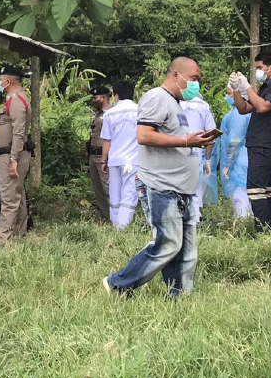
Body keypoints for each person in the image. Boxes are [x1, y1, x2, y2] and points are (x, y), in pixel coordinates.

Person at [103, 57, 219, 297]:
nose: (196, 83)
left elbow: (173, 138)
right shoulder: (157, 97)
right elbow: (144, 135)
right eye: (194, 78)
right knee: (168, 244)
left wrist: (195, 140)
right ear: (176, 75)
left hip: (181, 186)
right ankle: (118, 283)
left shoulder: (176, 104)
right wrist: (187, 140)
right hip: (161, 185)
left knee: (187, 249)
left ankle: (179, 296)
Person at [231, 51, 271, 231]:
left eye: (260, 67)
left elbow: (263, 107)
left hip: (265, 143)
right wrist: (236, 90)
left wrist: (247, 86)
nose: (257, 71)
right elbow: (243, 108)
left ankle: (262, 230)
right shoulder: (264, 89)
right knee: (265, 189)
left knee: (255, 188)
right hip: (258, 144)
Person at [0, 65, 32, 245]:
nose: (0, 83)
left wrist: (13, 159)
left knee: (8, 198)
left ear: (7, 81)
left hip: (11, 155)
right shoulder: (12, 99)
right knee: (17, 195)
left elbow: (19, 133)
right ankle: (19, 233)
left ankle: (2, 238)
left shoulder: (16, 101)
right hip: (8, 154)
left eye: (1, 80)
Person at [99, 80, 140, 227]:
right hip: (133, 160)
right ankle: (122, 227)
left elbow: (106, 141)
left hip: (114, 160)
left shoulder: (110, 114)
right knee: (129, 194)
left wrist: (104, 161)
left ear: (116, 96)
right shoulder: (140, 110)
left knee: (115, 194)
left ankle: (116, 224)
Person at [212, 94, 252, 218]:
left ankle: (243, 227)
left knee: (240, 196)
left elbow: (235, 141)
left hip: (238, 162)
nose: (227, 96)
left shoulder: (238, 115)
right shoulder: (243, 112)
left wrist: (228, 164)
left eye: (230, 93)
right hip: (246, 158)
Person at [180, 88, 218, 220]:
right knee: (195, 190)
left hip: (176, 151)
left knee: (177, 189)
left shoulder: (176, 102)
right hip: (196, 154)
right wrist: (207, 160)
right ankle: (194, 220)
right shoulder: (203, 105)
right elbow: (211, 135)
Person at [87, 84, 114, 220]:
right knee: (98, 189)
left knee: (108, 189)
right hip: (94, 155)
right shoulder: (98, 114)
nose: (93, 100)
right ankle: (105, 216)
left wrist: (106, 158)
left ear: (103, 98)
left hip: (105, 156)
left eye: (95, 98)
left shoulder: (111, 113)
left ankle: (116, 218)